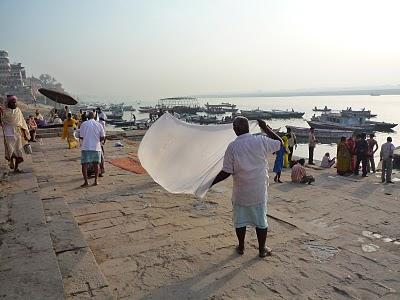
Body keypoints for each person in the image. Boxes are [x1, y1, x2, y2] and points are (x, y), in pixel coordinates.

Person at [211, 117, 282, 258]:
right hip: (258, 191)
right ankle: (262, 249)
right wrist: (266, 128)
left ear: (235, 129)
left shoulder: (232, 147)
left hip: (241, 192)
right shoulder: (260, 140)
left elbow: (226, 171)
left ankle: (241, 247)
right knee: (261, 221)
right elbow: (280, 143)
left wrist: (210, 182)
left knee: (240, 221)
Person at [0, 95, 30, 172]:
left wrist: (25, 133)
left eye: (15, 102)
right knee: (10, 151)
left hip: (18, 133)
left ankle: (16, 167)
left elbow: (22, 122)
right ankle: (11, 162)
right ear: (9, 103)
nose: (14, 104)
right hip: (8, 134)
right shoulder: (4, 111)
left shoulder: (18, 111)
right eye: (13, 102)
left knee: (18, 151)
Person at [79, 111, 105, 187]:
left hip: (86, 147)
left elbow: (81, 136)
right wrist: (97, 140)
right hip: (96, 147)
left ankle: (86, 182)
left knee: (84, 165)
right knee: (96, 164)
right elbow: (103, 137)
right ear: (94, 117)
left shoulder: (84, 124)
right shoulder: (99, 124)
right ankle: (96, 181)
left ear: (87, 117)